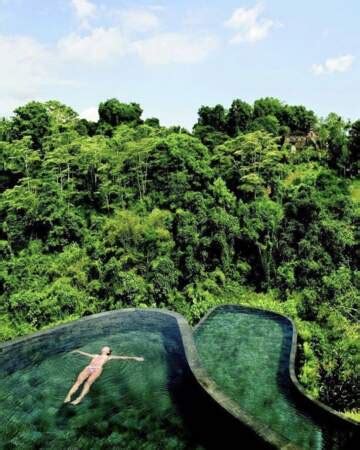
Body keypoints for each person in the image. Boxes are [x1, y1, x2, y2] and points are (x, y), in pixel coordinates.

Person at [64, 346, 144, 405]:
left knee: (88, 383)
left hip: (97, 369)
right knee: (78, 382)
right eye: (104, 347)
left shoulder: (109, 357)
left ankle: (79, 398)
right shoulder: (96, 355)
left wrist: (135, 358)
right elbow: (86, 354)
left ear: (108, 352)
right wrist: (77, 351)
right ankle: (68, 396)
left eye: (106, 348)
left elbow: (123, 357)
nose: (104, 348)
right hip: (88, 367)